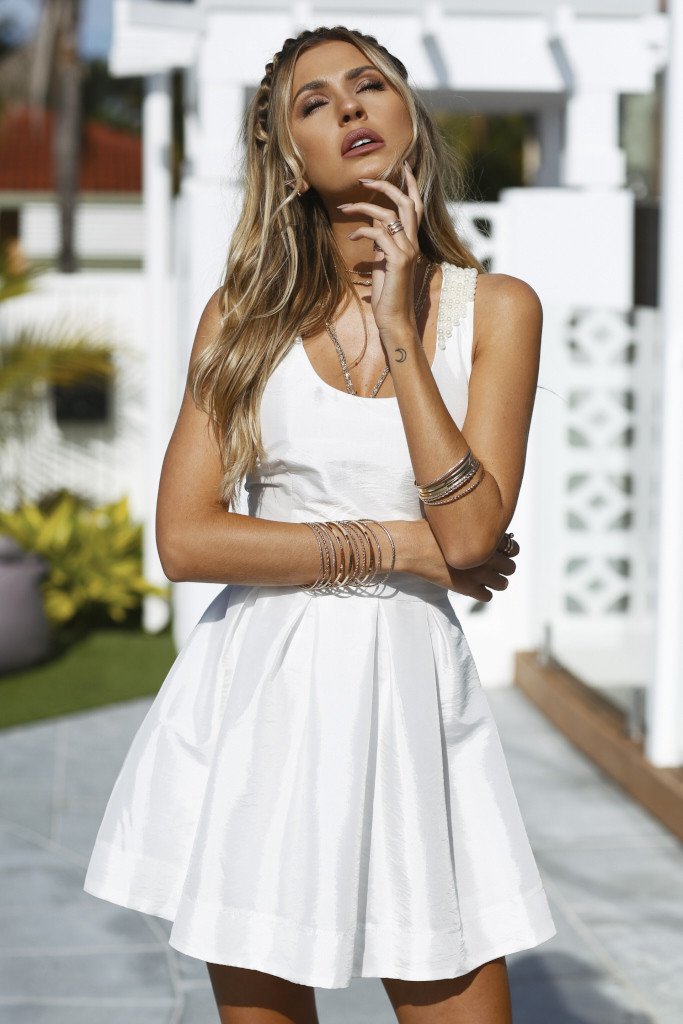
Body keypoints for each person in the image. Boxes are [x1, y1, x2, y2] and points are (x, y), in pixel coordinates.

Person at [83, 24, 556, 1024]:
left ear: (406, 118)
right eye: (313, 102)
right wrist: (389, 546)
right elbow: (186, 538)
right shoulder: (240, 319)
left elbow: (469, 536)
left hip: (412, 697)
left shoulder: (498, 310)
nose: (347, 108)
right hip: (261, 696)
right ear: (288, 158)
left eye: (367, 84)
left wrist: (398, 334)